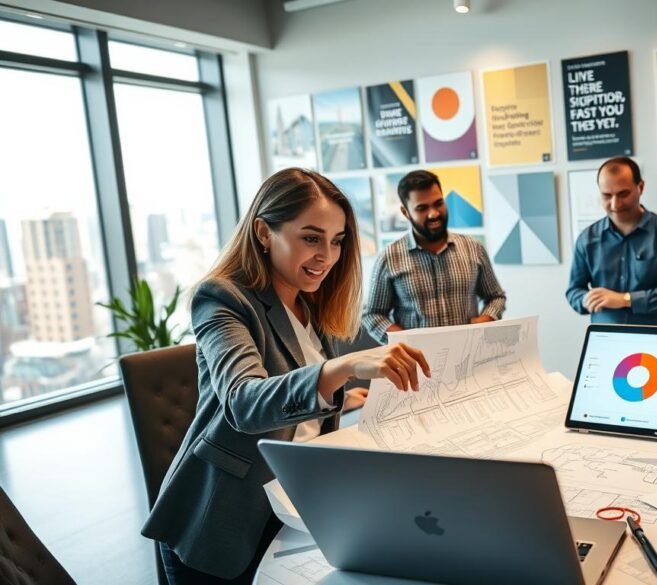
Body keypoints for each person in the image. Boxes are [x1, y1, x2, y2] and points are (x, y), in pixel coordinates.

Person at [142, 168, 431, 583]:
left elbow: (296, 379)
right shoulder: (221, 298)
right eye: (311, 238)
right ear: (263, 232)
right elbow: (244, 402)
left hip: (294, 504)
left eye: (337, 241)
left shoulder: (308, 301)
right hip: (224, 520)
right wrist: (344, 368)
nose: (327, 257)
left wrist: (342, 396)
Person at [363, 169, 506, 344]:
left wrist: (487, 319)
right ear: (405, 212)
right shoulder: (389, 258)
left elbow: (496, 296)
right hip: (417, 365)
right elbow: (372, 314)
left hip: (469, 357)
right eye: (422, 208)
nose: (433, 214)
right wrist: (401, 340)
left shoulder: (473, 248)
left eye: (438, 203)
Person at [566, 156, 657, 325]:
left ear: (641, 187)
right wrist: (586, 299)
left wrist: (625, 299)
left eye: (623, 194)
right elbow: (573, 291)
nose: (615, 204)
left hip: (654, 341)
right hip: (606, 341)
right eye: (607, 196)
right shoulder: (586, 239)